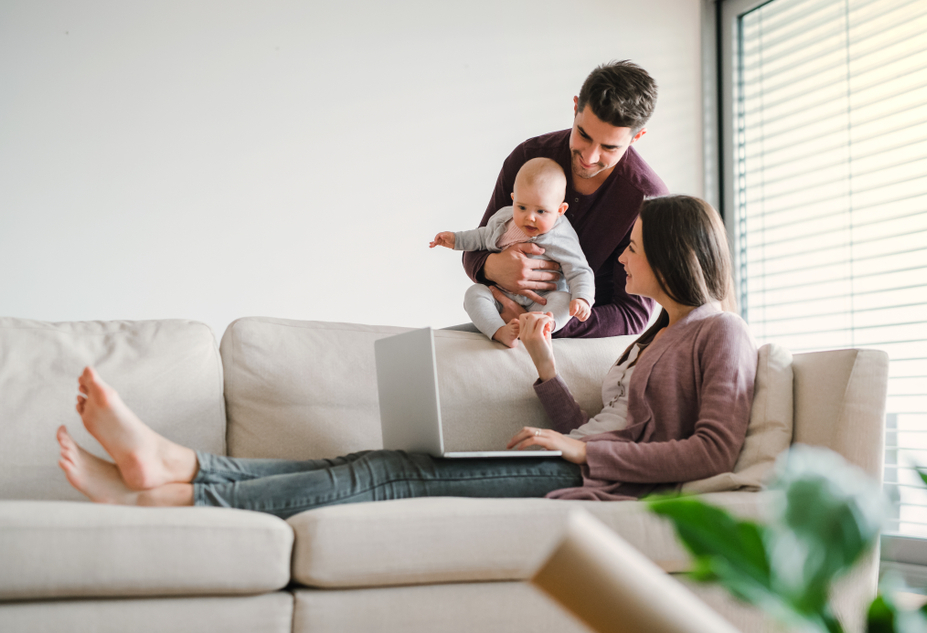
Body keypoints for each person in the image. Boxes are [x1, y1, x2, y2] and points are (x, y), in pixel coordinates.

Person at [56, 195, 757, 517]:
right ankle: (180, 469)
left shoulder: (720, 333)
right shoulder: (654, 335)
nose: (621, 253)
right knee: (369, 463)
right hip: (566, 457)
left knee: (390, 478)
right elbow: (594, 427)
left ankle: (176, 488)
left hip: (601, 485)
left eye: (635, 244)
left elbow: (713, 450)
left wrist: (581, 456)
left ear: (672, 254)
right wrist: (546, 371)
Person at [464, 60, 669, 339]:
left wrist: (546, 323)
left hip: (580, 336)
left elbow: (633, 315)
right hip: (502, 319)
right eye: (583, 135)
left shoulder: (647, 200)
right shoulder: (528, 158)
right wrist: (492, 267)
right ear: (575, 107)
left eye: (609, 147)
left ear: (637, 137)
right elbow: (475, 249)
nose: (589, 157)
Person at [431, 157, 595, 348]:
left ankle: (544, 325)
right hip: (501, 296)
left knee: (564, 299)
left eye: (541, 211)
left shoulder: (561, 234)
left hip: (541, 301)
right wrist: (456, 239)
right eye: (522, 207)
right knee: (474, 294)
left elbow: (579, 269)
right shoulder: (503, 219)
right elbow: (483, 236)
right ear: (513, 200)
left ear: (560, 210)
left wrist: (582, 298)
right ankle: (499, 331)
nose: (530, 217)